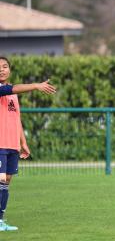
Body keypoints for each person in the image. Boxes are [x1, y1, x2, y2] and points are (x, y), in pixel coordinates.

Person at [0, 56, 56, 232]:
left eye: (5, 66)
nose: (2, 70)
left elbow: (16, 120)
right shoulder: (5, 90)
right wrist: (36, 86)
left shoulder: (13, 96)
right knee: (1, 179)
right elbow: (14, 88)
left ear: (10, 70)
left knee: (6, 181)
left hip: (12, 145)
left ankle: (1, 220)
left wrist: (23, 143)